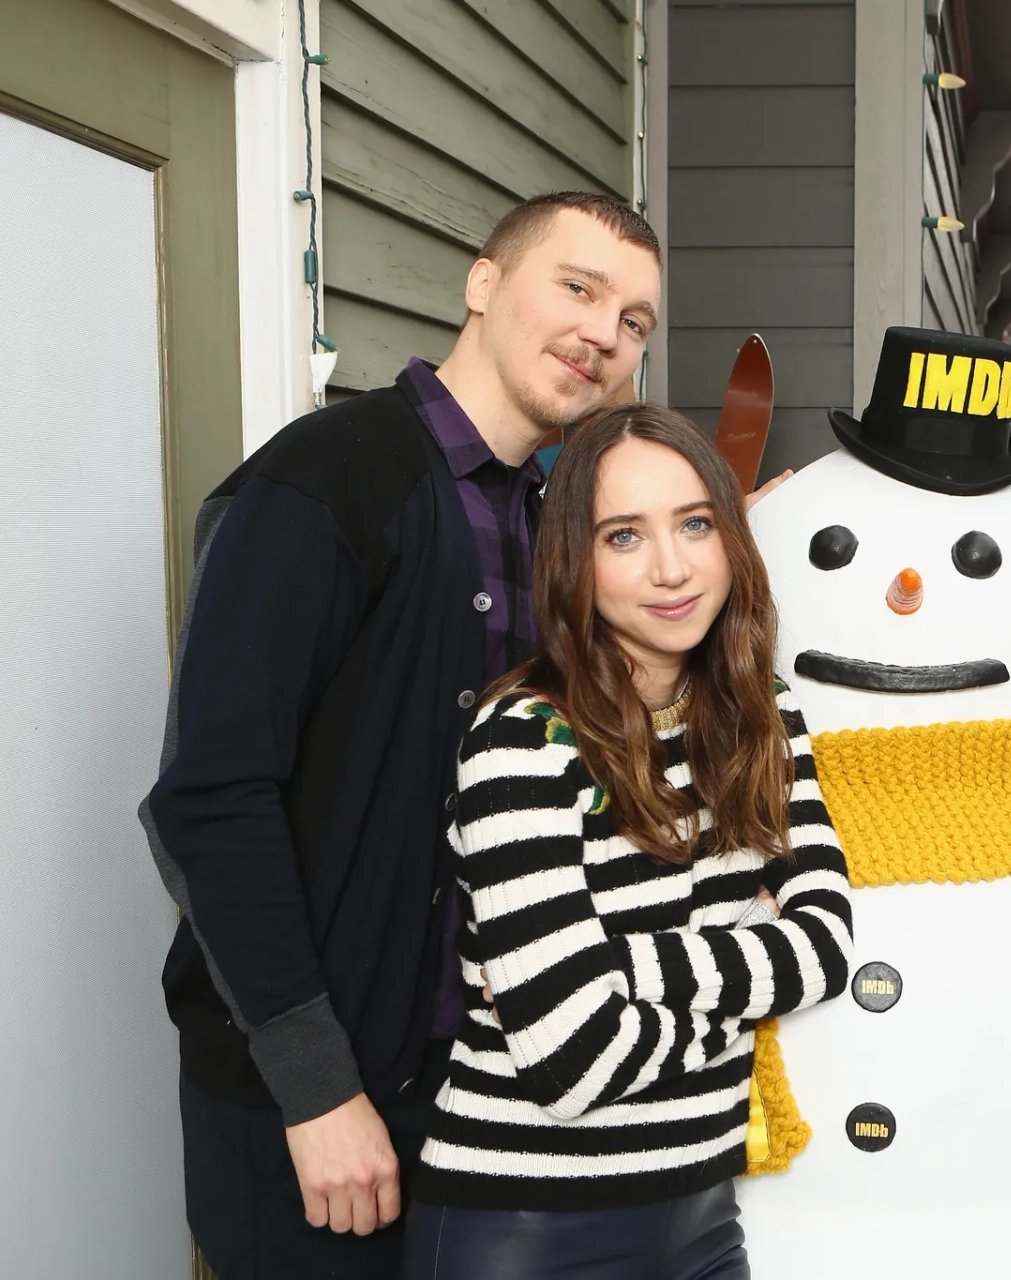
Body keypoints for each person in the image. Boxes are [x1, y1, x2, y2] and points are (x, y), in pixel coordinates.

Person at [144, 192, 673, 1279]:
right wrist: (317, 1087)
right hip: (317, 1103)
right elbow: (211, 797)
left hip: (472, 1096)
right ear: (482, 283)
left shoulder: (549, 525)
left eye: (634, 322)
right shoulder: (329, 479)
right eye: (578, 288)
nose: (604, 335)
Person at [403, 402, 852, 1279]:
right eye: (623, 536)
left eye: (695, 523)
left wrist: (625, 970)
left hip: (703, 1217)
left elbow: (827, 947)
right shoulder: (525, 743)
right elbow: (572, 1062)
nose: (672, 567)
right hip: (524, 1224)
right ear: (576, 559)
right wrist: (747, 967)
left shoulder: (765, 712)